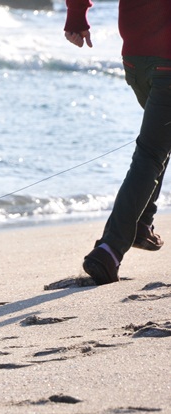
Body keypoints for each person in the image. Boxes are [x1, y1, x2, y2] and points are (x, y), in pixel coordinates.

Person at [64, 0, 171, 285]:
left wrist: (76, 16)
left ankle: (140, 224)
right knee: (152, 152)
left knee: (158, 142)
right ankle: (109, 250)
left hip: (136, 59)